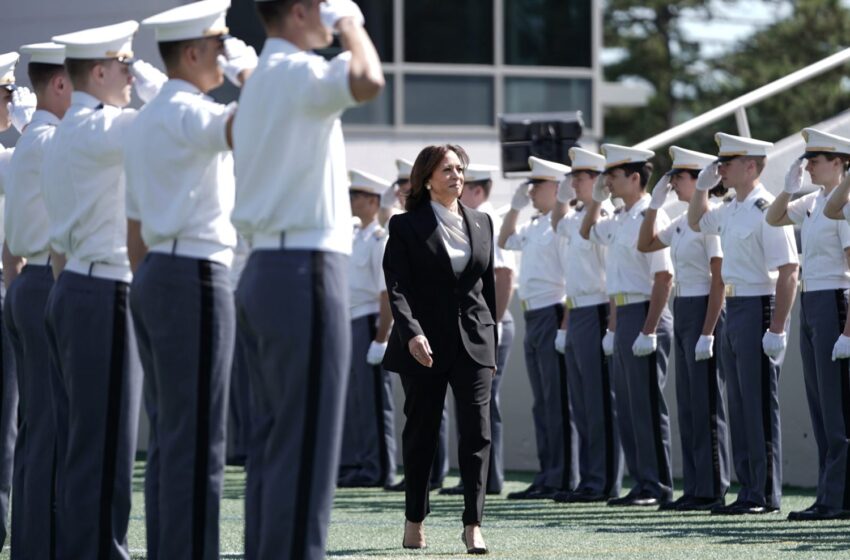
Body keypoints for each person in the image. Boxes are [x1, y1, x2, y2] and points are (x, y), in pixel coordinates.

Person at [230, 0, 384, 557]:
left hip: (263, 272)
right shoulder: (297, 72)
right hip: (302, 271)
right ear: (299, 12)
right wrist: (352, 22)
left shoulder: (262, 81)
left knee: (273, 442)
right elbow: (368, 78)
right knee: (308, 445)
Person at [124, 2, 258, 557]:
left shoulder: (148, 117)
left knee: (171, 436)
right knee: (200, 437)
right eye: (220, 44)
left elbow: (134, 230)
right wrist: (250, 76)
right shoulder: (187, 110)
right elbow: (258, 125)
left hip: (156, 271)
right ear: (195, 52)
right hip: (194, 276)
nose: (225, 53)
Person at [42, 21, 166, 557]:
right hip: (102, 291)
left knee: (87, 441)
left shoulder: (72, 128)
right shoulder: (99, 127)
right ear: (98, 71)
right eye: (124, 64)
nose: (131, 75)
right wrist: (161, 81)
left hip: (78, 283)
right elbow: (166, 121)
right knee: (106, 445)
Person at [382, 144, 495, 554]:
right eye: (447, 169)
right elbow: (397, 287)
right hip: (423, 346)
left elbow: (489, 291)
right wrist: (411, 332)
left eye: (460, 169)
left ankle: (473, 524)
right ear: (427, 177)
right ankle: (415, 519)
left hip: (474, 343)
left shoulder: (482, 222)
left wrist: (492, 347)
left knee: (477, 434)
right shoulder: (405, 226)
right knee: (422, 434)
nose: (457, 175)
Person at [688, 132, 799, 515]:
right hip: (734, 308)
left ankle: (764, 494)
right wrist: (703, 189)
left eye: (727, 163)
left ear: (750, 166)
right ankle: (748, 487)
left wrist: (778, 327)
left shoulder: (766, 208)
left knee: (758, 403)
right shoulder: (733, 207)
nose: (720, 169)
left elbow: (788, 271)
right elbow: (697, 222)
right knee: (738, 403)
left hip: (758, 305)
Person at [580, 144, 675, 507]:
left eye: (614, 176)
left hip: (645, 314)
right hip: (623, 314)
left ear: (635, 178)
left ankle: (658, 485)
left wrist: (649, 330)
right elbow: (588, 232)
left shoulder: (653, 218)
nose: (609, 182)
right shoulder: (620, 218)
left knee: (648, 405)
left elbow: (663, 279)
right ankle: (642, 482)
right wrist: (595, 200)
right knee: (629, 406)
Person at [637, 146, 731, 511]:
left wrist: (708, 331)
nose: (673, 183)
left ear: (700, 180)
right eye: (672, 178)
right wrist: (654, 206)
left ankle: (712, 487)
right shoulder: (681, 221)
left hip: (706, 309)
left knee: (707, 403)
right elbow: (645, 243)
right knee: (689, 405)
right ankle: (694, 486)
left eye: (680, 177)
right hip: (685, 308)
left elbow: (719, 279)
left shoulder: (711, 221)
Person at [2, 42, 67, 558]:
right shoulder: (49, 140)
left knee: (33, 424)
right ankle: (41, 541)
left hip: (28, 279)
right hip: (46, 278)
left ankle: (32, 538)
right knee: (47, 422)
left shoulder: (32, 141)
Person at [770, 128, 850, 520]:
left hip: (835, 302)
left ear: (840, 164)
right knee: (820, 405)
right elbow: (774, 217)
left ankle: (838, 499)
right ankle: (828, 494)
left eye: (816, 161)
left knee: (837, 410)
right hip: (813, 300)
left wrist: (848, 332)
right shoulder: (817, 201)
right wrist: (787, 187)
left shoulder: (845, 204)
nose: (810, 167)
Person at [499, 156, 577, 501]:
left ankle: (563, 476)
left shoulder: (562, 226)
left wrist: (565, 324)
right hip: (533, 315)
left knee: (558, 401)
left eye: (537, 186)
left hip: (553, 312)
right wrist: (514, 209)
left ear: (558, 188)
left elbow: (573, 279)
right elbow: (504, 241)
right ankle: (548, 473)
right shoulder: (534, 225)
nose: (530, 192)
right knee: (542, 402)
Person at [550, 147, 622, 503]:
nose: (573, 183)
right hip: (577, 312)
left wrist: (611, 326)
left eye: (579, 178)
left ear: (596, 181)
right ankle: (589, 478)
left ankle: (603, 480)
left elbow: (612, 277)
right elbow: (557, 224)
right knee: (581, 403)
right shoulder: (581, 216)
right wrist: (563, 197)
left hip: (596, 311)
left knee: (598, 403)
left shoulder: (604, 216)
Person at [441, 163, 516, 496]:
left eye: (463, 184)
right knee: (474, 404)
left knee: (484, 404)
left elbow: (504, 276)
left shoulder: (486, 220)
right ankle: (480, 477)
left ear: (477, 190)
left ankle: (487, 478)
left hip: (489, 324)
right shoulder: (468, 222)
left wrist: (492, 324)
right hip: (478, 324)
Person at [382, 156, 450, 494]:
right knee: (418, 413)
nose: (399, 192)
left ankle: (437, 473)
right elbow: (395, 282)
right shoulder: (402, 224)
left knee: (440, 412)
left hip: (445, 329)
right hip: (412, 332)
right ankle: (421, 479)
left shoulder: (457, 223)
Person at [337, 169, 397, 489]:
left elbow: (386, 292)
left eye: (356, 196)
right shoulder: (355, 236)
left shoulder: (380, 239)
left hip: (370, 322)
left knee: (374, 399)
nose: (351, 201)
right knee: (354, 399)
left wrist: (381, 338)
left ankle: (379, 467)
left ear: (373, 201)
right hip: (350, 320)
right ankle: (358, 462)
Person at [0, 48, 37, 555]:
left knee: (5, 425)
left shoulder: (10, 158)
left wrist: (32, 128)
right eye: (9, 93)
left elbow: (52, 171)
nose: (12, 101)